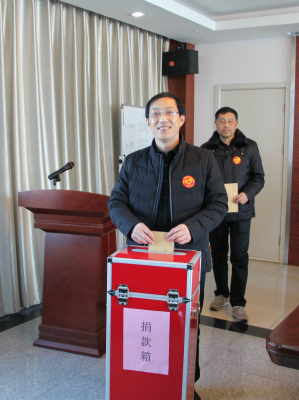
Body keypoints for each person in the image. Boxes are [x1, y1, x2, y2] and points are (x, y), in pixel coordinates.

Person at [108, 92, 227, 398]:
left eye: (170, 113)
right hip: (142, 257)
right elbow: (116, 202)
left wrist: (193, 228)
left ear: (181, 119)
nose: (163, 119)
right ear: (148, 122)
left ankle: (185, 384)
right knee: (143, 320)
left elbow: (218, 204)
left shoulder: (203, 160)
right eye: (156, 114)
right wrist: (131, 226)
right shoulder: (133, 162)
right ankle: (145, 382)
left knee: (185, 324)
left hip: (188, 259)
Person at [201, 107, 264, 323]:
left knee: (239, 256)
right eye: (222, 120)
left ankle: (238, 303)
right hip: (216, 212)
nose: (226, 125)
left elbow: (259, 177)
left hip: (242, 211)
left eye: (230, 121)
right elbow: (202, 180)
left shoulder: (249, 146)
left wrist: (247, 194)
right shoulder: (206, 150)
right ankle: (221, 294)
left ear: (236, 124)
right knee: (218, 255)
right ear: (216, 123)